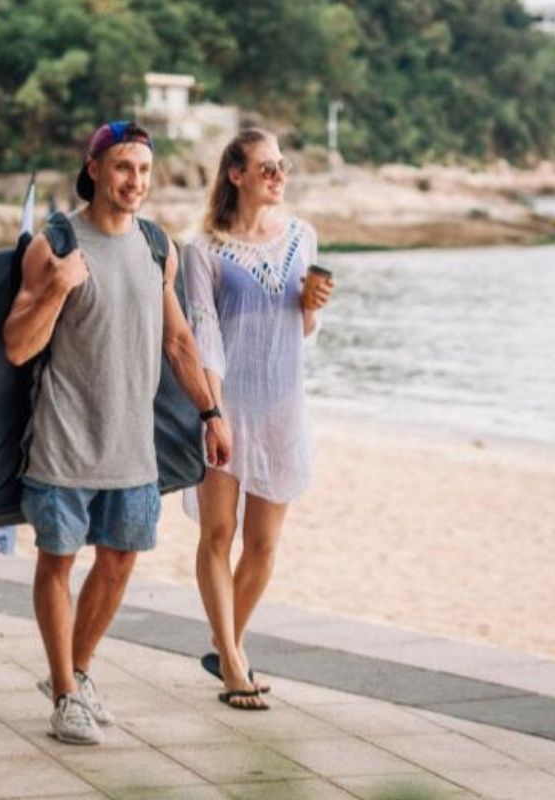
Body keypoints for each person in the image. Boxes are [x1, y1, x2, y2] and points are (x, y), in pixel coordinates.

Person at [3, 120, 231, 745]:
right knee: (58, 561)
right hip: (64, 441)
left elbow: (179, 341)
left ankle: (73, 674)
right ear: (96, 167)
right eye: (125, 168)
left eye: (145, 172)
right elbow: (19, 347)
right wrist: (55, 287)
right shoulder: (53, 244)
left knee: (120, 561)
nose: (136, 182)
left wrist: (210, 412)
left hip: (133, 447)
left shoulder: (158, 246)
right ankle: (67, 697)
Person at [183, 128, 334, 710]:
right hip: (225, 408)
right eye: (266, 166)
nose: (278, 175)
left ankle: (227, 645)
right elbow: (205, 338)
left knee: (264, 544)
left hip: (281, 406)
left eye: (282, 165)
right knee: (217, 536)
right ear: (236, 174)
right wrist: (212, 413)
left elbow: (302, 332)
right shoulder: (205, 249)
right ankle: (233, 667)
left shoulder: (303, 237)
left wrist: (311, 308)